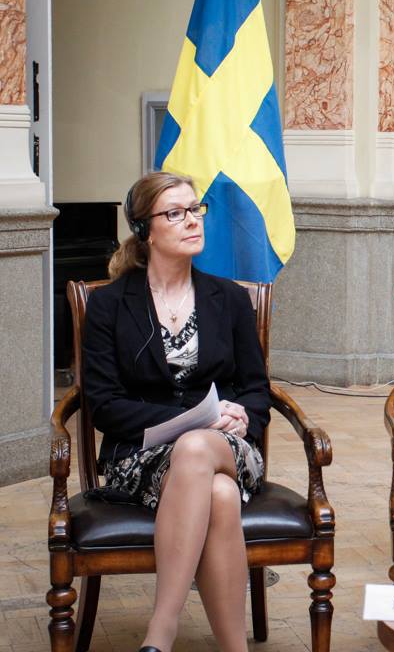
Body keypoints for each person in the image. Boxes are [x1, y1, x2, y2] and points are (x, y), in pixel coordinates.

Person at [83, 172, 271, 652]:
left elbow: (257, 390)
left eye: (195, 209)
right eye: (175, 213)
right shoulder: (108, 305)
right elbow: (103, 405)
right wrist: (182, 423)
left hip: (226, 447)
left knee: (197, 449)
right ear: (145, 230)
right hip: (139, 456)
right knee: (220, 495)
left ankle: (160, 633)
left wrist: (243, 417)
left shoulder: (229, 299)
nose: (192, 220)